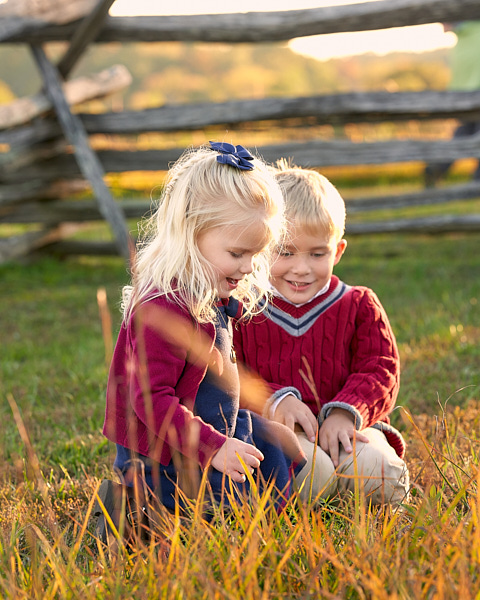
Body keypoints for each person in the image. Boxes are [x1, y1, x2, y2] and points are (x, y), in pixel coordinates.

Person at [99, 142, 306, 534]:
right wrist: (214, 448)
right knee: (198, 519)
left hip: (214, 426)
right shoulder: (161, 308)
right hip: (167, 455)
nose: (248, 267)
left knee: (278, 451)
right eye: (237, 253)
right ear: (191, 234)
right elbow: (150, 399)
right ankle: (129, 510)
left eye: (255, 254)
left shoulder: (208, 291)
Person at [233, 163, 409, 506]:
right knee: (311, 474)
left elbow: (380, 368)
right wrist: (274, 400)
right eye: (285, 252)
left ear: (338, 251)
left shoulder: (358, 304)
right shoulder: (242, 308)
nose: (302, 268)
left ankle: (363, 497)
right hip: (278, 432)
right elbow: (228, 373)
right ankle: (310, 502)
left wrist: (346, 411)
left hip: (351, 427)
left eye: (318, 254)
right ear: (261, 247)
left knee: (378, 470)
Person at [425, 21, 480, 187]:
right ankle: (477, 179)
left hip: (461, 94)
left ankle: (437, 167)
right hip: (476, 91)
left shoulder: (462, 41)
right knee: (471, 134)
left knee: (464, 133)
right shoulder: (474, 34)